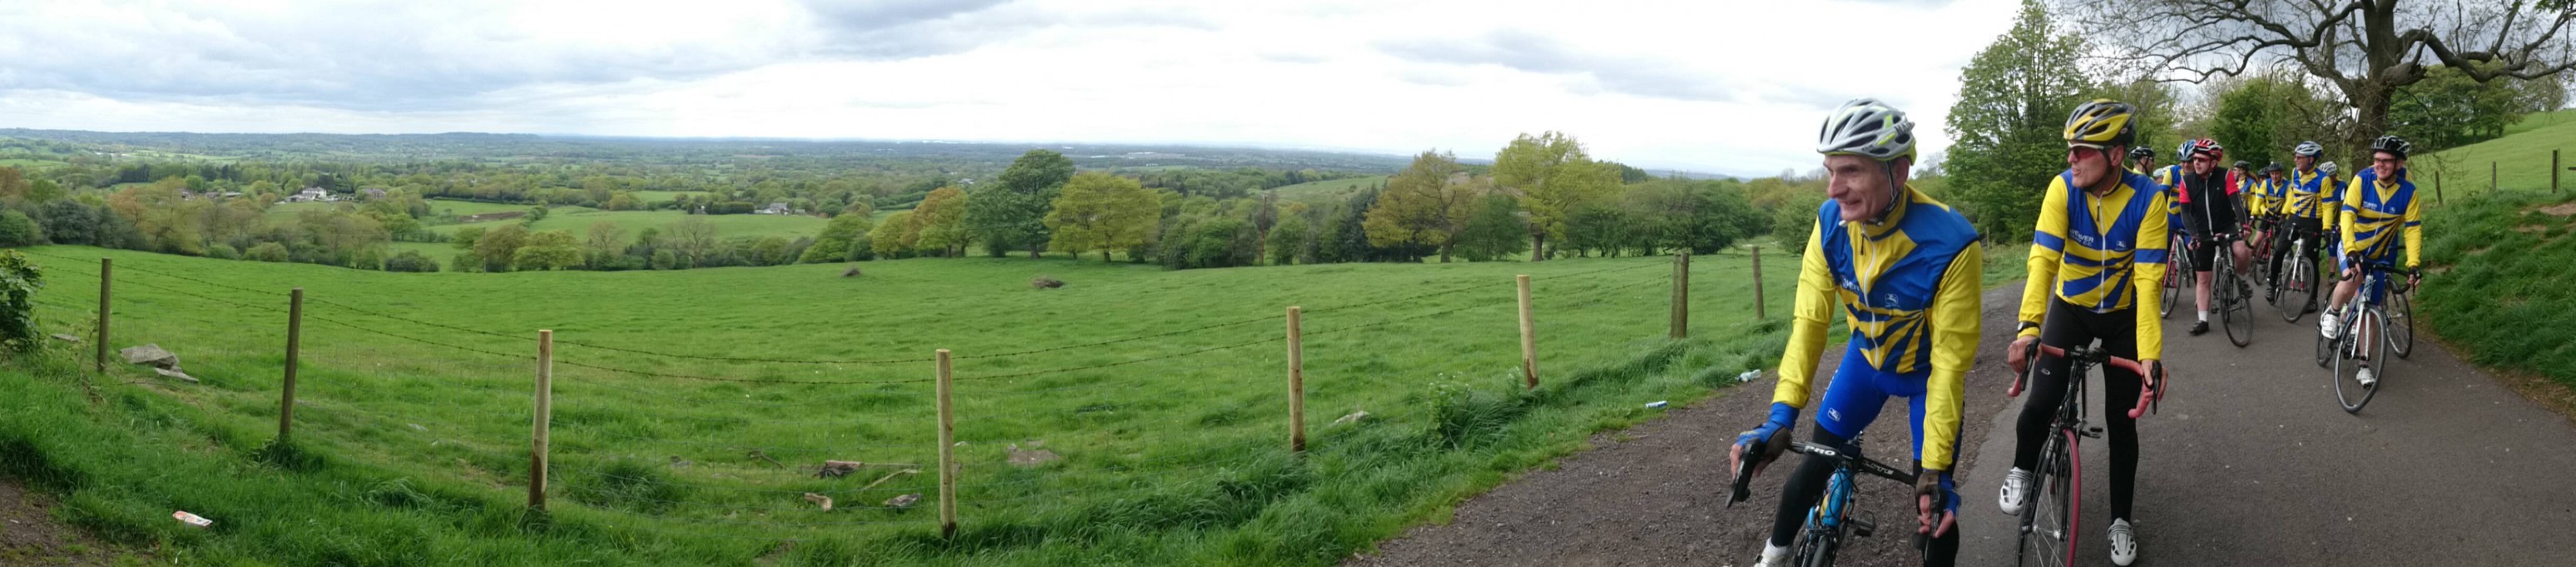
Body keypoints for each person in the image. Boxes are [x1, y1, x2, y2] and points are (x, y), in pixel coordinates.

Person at [1731, 98, 1981, 567]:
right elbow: (1809, 323)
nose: (1834, 188)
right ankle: (1774, 554)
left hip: (1927, 377)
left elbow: (1950, 362)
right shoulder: (1829, 224)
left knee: (1932, 506)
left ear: (1898, 172)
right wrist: (1781, 416)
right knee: (1813, 464)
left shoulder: (1951, 242)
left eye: (1850, 171)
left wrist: (1936, 465)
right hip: (1864, 364)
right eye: (1829, 170)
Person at [2001, 98, 2170, 566]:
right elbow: (2042, 262)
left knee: (2123, 422)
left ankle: (2120, 521)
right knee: (2040, 401)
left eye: (2082, 150)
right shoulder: (2063, 189)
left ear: (2116, 155)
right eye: (2069, 150)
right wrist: (2029, 327)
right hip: (2071, 308)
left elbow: (2149, 283)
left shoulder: (2149, 199)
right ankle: (2022, 466)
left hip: (2122, 315)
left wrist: (2150, 355)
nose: (2071, 158)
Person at [2318, 136, 2425, 387]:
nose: (2380, 166)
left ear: (2399, 163)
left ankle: (2363, 365)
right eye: (2377, 160)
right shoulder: (2362, 180)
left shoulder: (2408, 192)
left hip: (2380, 255)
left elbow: (2412, 230)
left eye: (2387, 161)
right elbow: (2347, 215)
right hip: (2352, 246)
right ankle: (2333, 314)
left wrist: (2413, 263)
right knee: (2353, 278)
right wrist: (2352, 248)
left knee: (2372, 308)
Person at [2174, 139, 2254, 336]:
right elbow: (2185, 213)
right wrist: (2194, 236)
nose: (2196, 163)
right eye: (2194, 159)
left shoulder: (2225, 175)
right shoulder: (2187, 181)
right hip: (2201, 231)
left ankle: (2240, 277)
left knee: (2242, 250)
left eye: (2201, 159)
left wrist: (2244, 226)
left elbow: (2236, 203)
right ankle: (2203, 320)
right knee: (2203, 278)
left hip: (2226, 225)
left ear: (2213, 162)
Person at [2276, 142, 2342, 311]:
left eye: (2299, 157)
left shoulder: (2323, 179)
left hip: (2313, 221)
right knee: (2279, 250)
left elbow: (2328, 205)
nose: (2295, 159)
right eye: (2295, 156)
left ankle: (2312, 300)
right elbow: (2293, 195)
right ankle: (2271, 284)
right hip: (2295, 217)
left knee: (2312, 261)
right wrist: (2284, 214)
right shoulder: (2294, 172)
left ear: (2311, 159)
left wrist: (2327, 228)